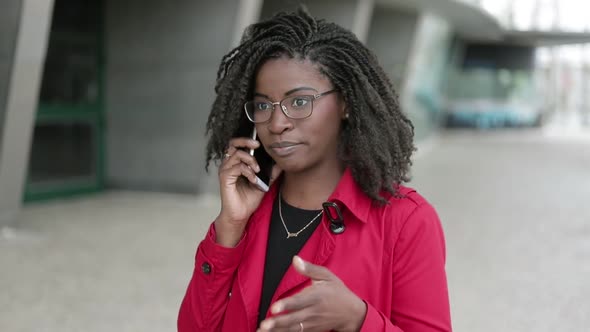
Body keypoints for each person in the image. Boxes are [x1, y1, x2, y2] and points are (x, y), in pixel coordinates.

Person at [178, 7, 451, 332]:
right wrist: (228, 230)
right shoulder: (246, 216)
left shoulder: (405, 221)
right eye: (263, 105)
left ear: (347, 104)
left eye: (299, 102)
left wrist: (359, 320)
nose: (278, 124)